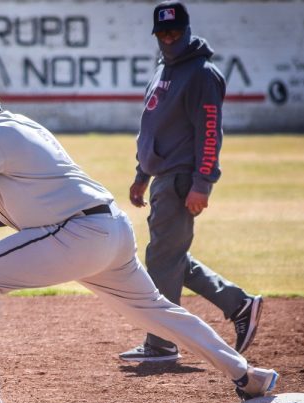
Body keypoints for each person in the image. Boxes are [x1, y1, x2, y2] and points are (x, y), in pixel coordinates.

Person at [0, 63, 278, 403]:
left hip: (79, 234)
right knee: (157, 311)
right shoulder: (19, 126)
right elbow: (36, 203)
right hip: (110, 230)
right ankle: (247, 375)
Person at [119, 1, 263, 363]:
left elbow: (210, 132)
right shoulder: (163, 69)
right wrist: (141, 175)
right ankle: (238, 303)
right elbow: (153, 128)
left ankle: (162, 343)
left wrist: (203, 183)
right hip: (162, 177)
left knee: (162, 257)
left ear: (186, 30)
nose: (169, 38)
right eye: (162, 33)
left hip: (183, 178)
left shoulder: (202, 73)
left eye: (174, 32)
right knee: (170, 257)